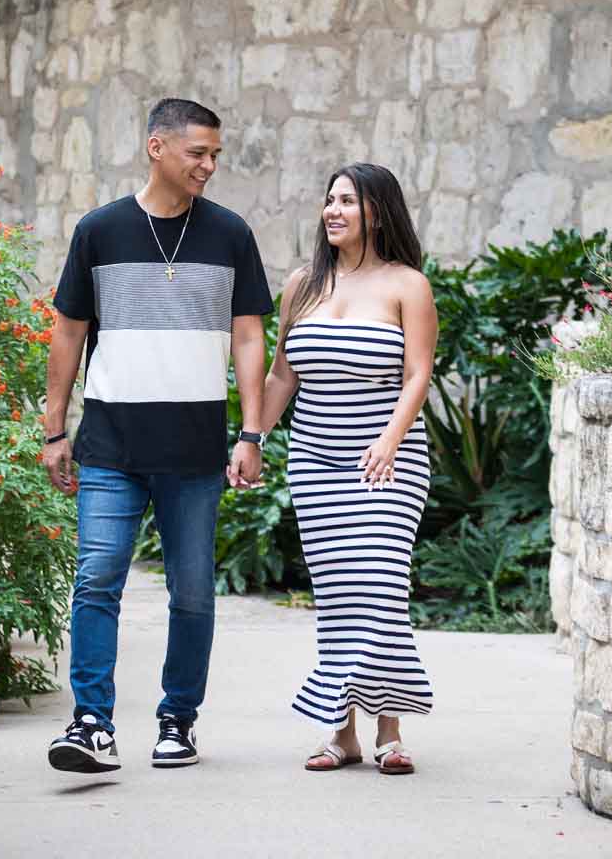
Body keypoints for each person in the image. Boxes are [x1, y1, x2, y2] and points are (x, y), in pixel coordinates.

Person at [41, 96, 273, 776]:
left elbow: (251, 334)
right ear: (157, 148)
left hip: (197, 452)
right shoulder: (100, 230)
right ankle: (91, 724)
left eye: (215, 155)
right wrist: (55, 428)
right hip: (111, 444)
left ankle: (178, 718)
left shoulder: (230, 234)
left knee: (193, 591)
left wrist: (251, 432)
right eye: (198, 152)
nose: (209, 165)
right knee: (97, 578)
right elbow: (68, 332)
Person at [254, 163, 438, 776]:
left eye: (347, 201)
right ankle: (343, 734)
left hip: (388, 462)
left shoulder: (407, 285)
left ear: (377, 212)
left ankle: (390, 730)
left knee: (379, 592)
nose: (332, 210)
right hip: (314, 460)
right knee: (337, 598)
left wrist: (391, 437)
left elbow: (418, 375)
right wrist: (251, 437)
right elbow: (283, 375)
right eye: (329, 199)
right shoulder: (302, 285)